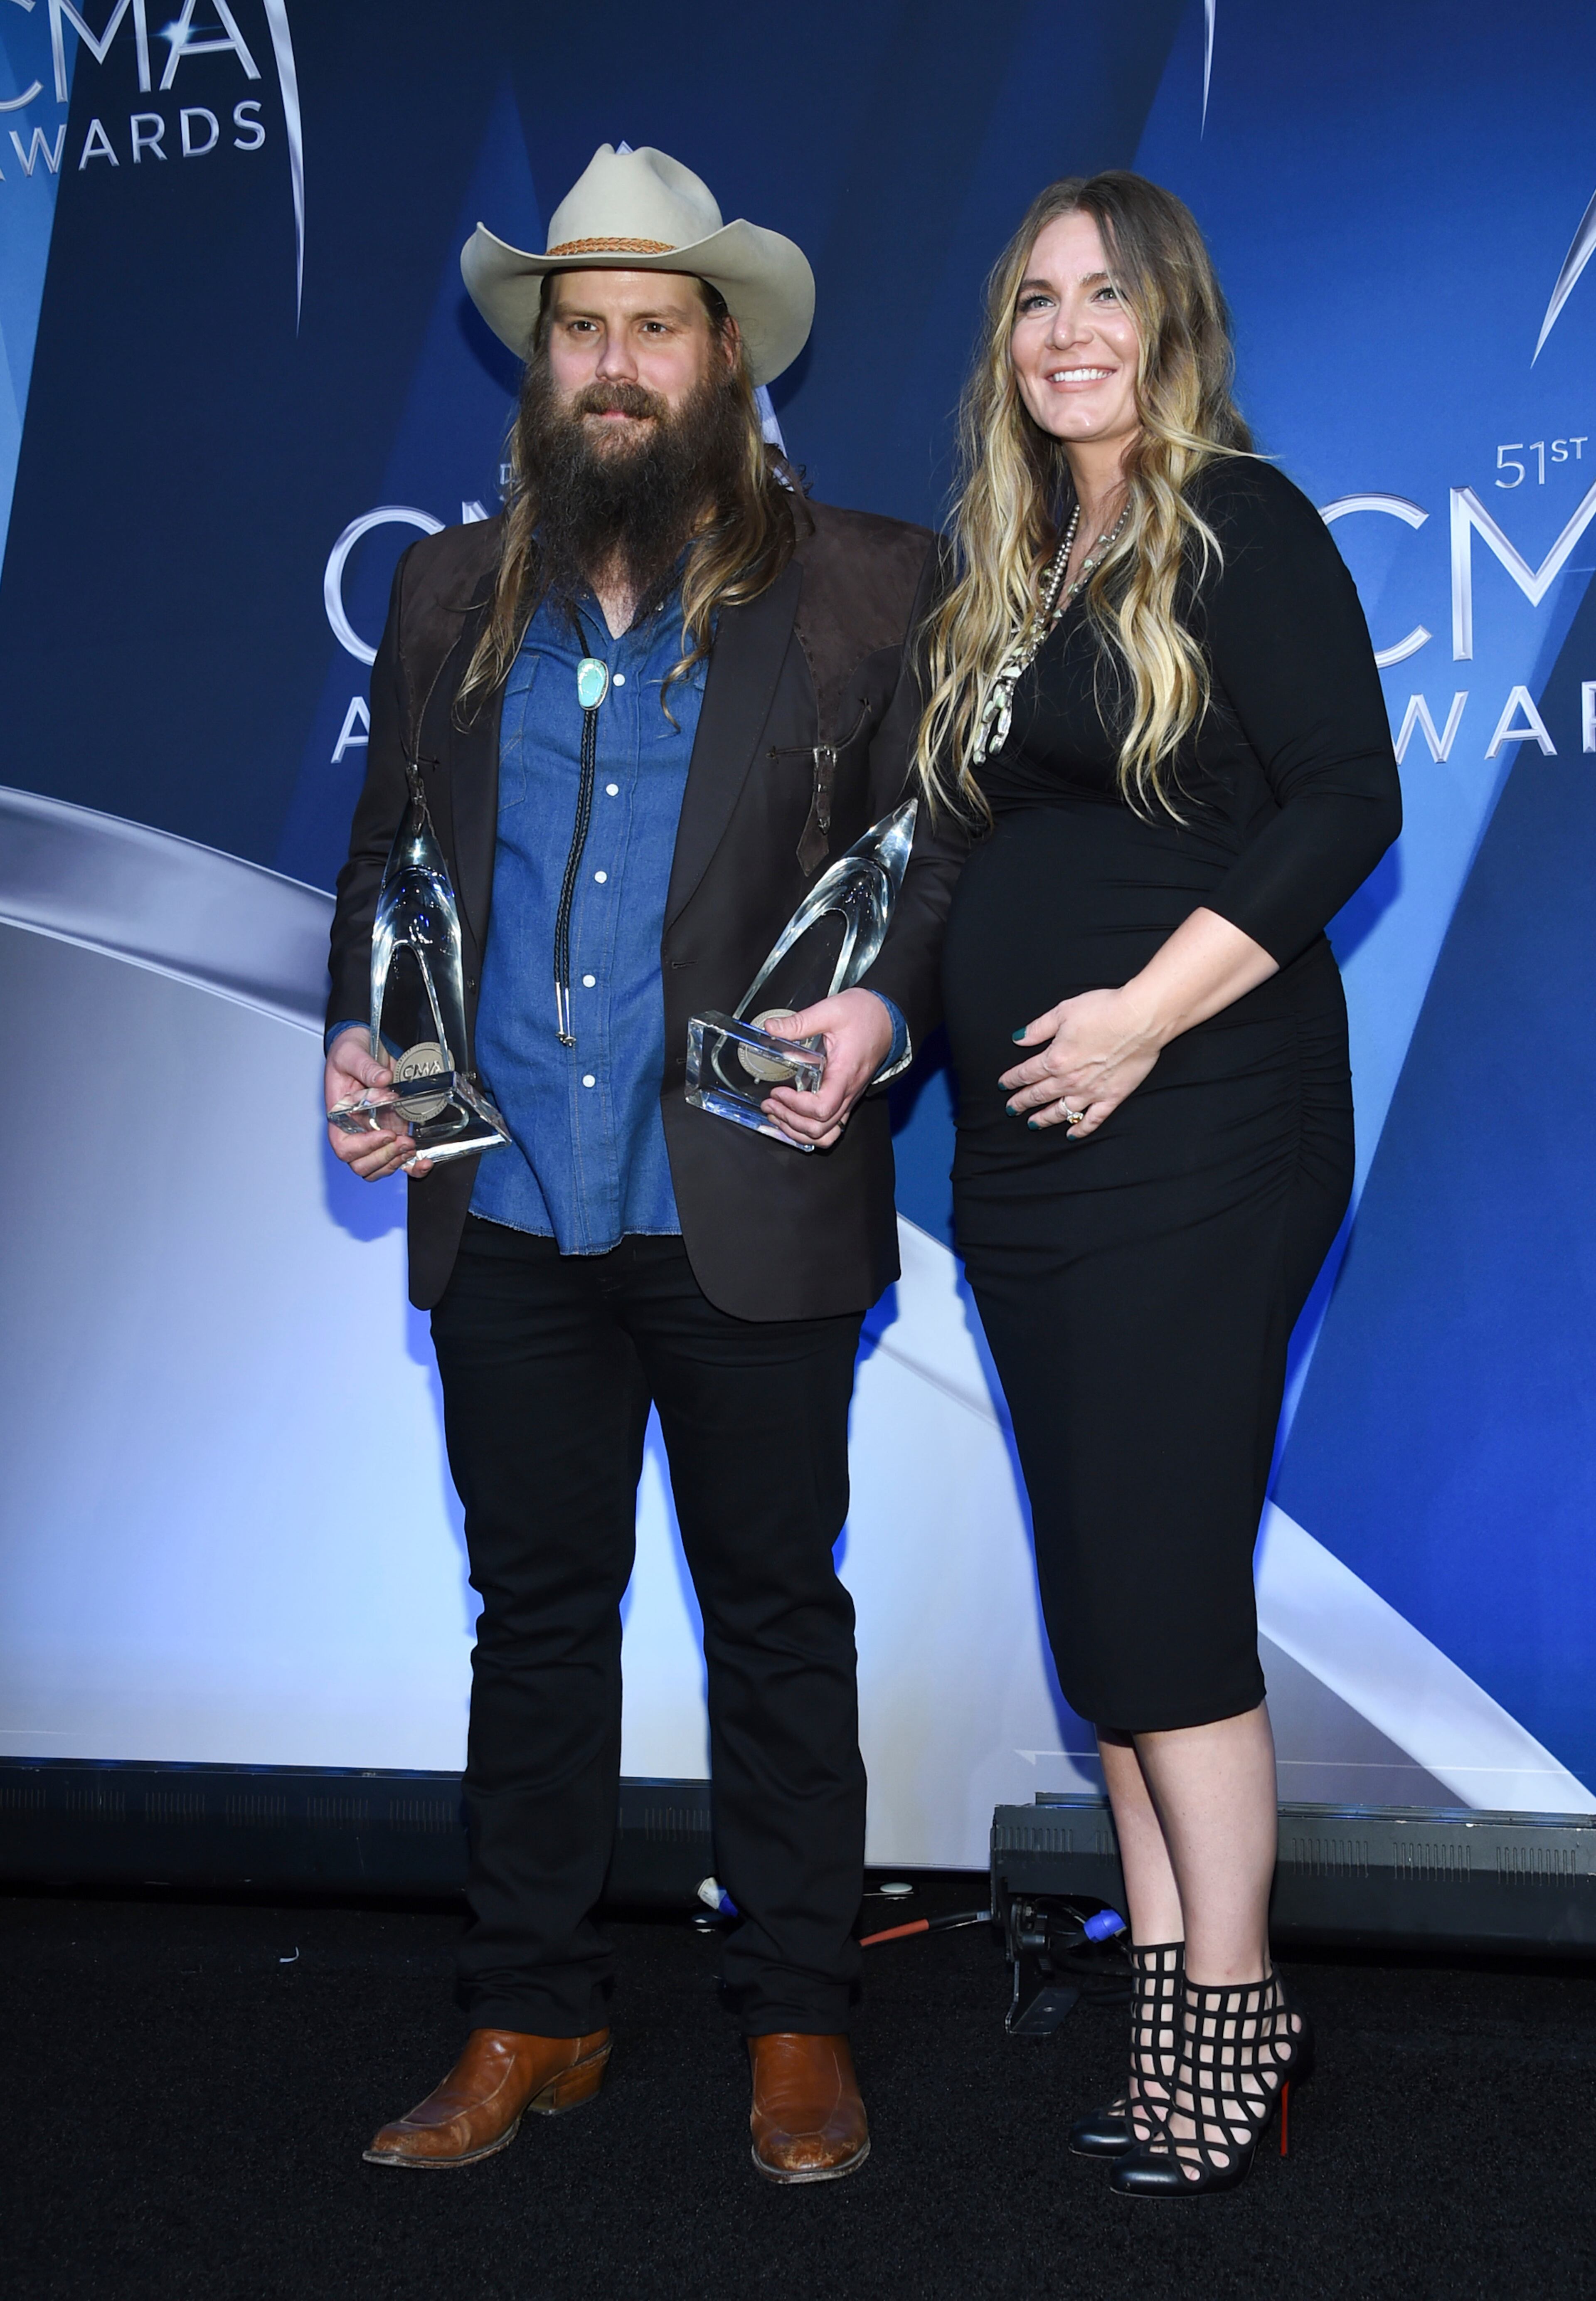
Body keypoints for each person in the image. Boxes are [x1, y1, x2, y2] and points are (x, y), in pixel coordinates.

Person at [324, 144, 959, 2182]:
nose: (610, 363)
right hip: (504, 1197)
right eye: (578, 327)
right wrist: (367, 1028)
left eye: (650, 328)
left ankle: (797, 2023)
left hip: (745, 1200)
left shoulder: (873, 580)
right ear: (544, 364)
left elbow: (930, 872)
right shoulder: (444, 589)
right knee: (537, 1613)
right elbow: (386, 871)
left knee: (776, 1613)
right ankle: (530, 2010)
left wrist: (888, 1015)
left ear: (727, 357)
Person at [919, 171, 1400, 2195]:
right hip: (1035, 1174)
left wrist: (1134, 1018)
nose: (1065, 331)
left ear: (1171, 316)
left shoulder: (1243, 525)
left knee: (1173, 1603)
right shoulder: (1029, 560)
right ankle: (1169, 1994)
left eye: (1104, 293)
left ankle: (1240, 2002)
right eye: (1034, 300)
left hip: (1207, 1129)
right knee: (1108, 1610)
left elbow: (1347, 798)